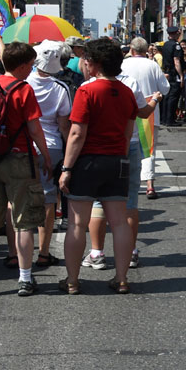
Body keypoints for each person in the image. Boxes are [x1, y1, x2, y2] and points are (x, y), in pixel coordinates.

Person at [0, 41, 54, 299]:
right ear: (23, 65)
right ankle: (25, 279)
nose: (31, 69)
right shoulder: (23, 89)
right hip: (18, 160)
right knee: (23, 222)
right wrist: (47, 157)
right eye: (30, 64)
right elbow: (34, 128)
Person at [58, 38, 141, 295]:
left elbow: (76, 134)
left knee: (77, 223)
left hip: (88, 160)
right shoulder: (127, 92)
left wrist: (67, 168)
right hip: (117, 159)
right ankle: (122, 278)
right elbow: (128, 133)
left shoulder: (86, 91)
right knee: (118, 222)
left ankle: (72, 280)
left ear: (93, 64)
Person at [26, 42, 72, 269]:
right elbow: (64, 125)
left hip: (23, 145)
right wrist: (68, 152)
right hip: (52, 146)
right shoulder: (61, 88)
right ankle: (43, 252)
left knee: (19, 198)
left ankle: (17, 254)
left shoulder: (23, 83)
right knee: (47, 199)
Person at [121, 37, 171, 200]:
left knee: (126, 145)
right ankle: (149, 184)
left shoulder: (123, 64)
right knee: (149, 148)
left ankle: (125, 182)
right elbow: (165, 89)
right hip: (149, 110)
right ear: (146, 50)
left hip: (126, 111)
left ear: (131, 49)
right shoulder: (152, 65)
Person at [159, 28, 185, 125]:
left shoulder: (166, 44)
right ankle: (170, 120)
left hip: (167, 72)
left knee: (167, 96)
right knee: (173, 97)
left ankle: (164, 119)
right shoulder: (176, 45)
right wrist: (181, 75)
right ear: (176, 34)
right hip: (174, 74)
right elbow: (176, 61)